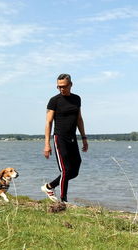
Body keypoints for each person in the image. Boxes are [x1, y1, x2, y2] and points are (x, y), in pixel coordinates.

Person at [41, 73, 88, 203]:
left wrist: (84, 138)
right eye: (59, 86)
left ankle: (49, 187)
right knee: (66, 170)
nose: (61, 89)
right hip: (59, 138)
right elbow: (48, 122)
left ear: (71, 85)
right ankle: (63, 201)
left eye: (64, 86)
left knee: (74, 170)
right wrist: (47, 144)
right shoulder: (54, 100)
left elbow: (79, 119)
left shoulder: (77, 99)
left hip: (72, 138)